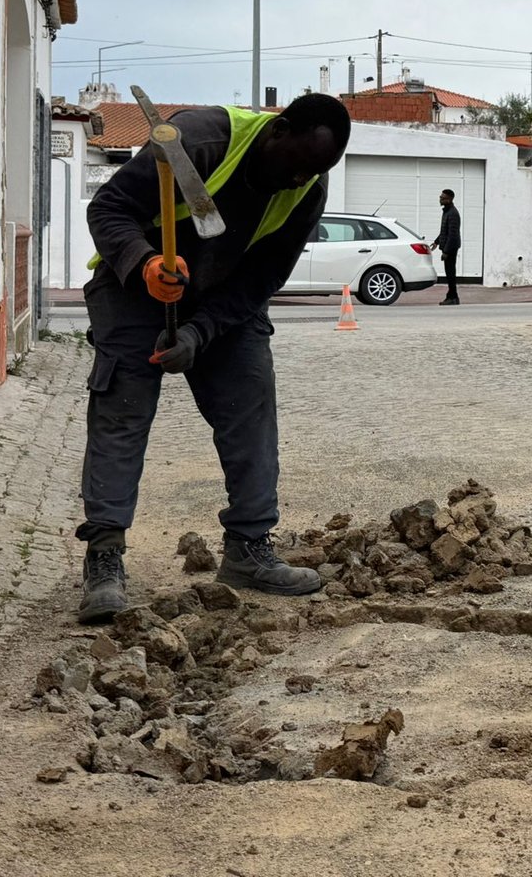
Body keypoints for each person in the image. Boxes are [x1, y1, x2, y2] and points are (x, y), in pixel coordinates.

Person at [75, 93, 352, 622]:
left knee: (251, 404)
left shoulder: (308, 187)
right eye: (293, 166)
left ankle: (248, 548)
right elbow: (107, 209)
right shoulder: (200, 141)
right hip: (136, 287)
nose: (297, 181)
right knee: (122, 411)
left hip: (224, 300)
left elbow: (263, 277)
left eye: (312, 173)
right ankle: (104, 557)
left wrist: (200, 333)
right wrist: (146, 263)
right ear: (278, 129)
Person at [435, 188, 462, 306]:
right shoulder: (447, 211)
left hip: (451, 248)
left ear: (449, 199)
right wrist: (437, 241)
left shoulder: (452, 213)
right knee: (449, 273)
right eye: (440, 197)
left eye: (443, 197)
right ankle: (452, 296)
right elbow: (444, 231)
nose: (440, 199)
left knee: (450, 273)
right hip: (448, 247)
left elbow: (453, 234)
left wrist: (446, 251)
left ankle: (453, 297)